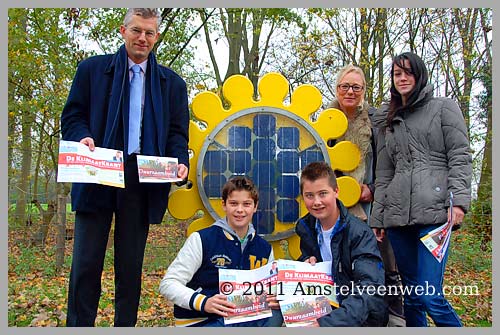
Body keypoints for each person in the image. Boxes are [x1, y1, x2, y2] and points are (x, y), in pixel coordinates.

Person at [61, 8, 189, 326]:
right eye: (136, 30)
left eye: (149, 32)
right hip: (98, 172)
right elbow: (72, 116)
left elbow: (177, 133)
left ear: (156, 36)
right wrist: (83, 137)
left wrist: (180, 163)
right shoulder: (92, 70)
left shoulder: (171, 83)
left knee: (130, 267)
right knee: (86, 264)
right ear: (123, 31)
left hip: (143, 178)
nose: (142, 38)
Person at [370, 51, 472, 327]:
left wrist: (459, 202)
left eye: (408, 72)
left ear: (419, 75)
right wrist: (378, 217)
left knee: (429, 296)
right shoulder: (387, 119)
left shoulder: (443, 108)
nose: (402, 78)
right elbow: (384, 172)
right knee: (412, 297)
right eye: (396, 73)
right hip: (398, 219)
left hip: (435, 216)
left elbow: (460, 155)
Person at [327, 64, 405, 326]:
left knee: (381, 262)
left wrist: (372, 189)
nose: (349, 92)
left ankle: (391, 317)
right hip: (332, 205)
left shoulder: (375, 122)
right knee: (341, 263)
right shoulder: (324, 121)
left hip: (367, 204)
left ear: (363, 90)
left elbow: (387, 162)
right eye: (344, 86)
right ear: (337, 89)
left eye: (356, 87)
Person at [159, 176, 283, 327]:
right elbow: (168, 283)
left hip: (241, 319)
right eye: (233, 203)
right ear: (224, 205)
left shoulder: (264, 248)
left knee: (276, 313)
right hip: (201, 321)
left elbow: (269, 290)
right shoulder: (202, 239)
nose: (240, 210)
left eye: (246, 204)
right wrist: (203, 302)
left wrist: (275, 298)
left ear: (255, 206)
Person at [295, 161, 388, 326]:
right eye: (309, 195)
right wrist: (306, 262)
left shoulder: (360, 233)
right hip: (324, 307)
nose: (316, 202)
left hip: (361, 317)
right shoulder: (305, 227)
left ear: (336, 191)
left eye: (323, 193)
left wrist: (327, 324)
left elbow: (369, 288)